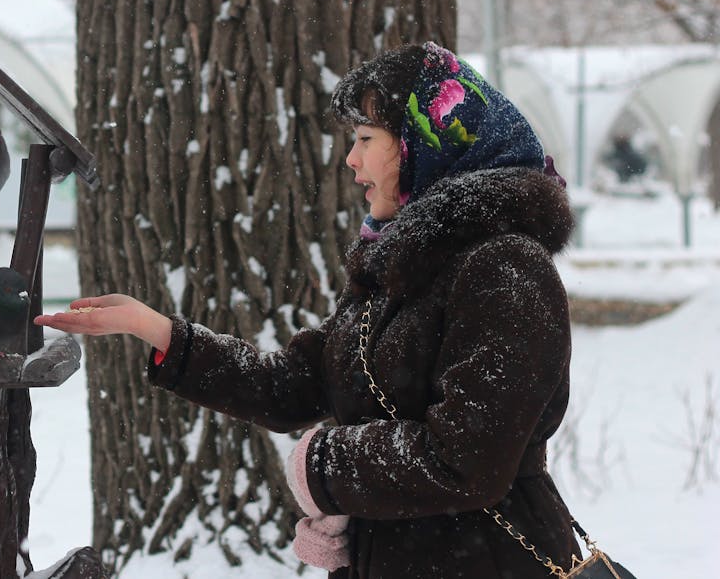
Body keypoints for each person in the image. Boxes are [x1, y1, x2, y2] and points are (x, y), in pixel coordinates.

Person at [35, 42, 579, 579]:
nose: (351, 159)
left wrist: (321, 466)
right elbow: (297, 384)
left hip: (490, 561)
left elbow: (467, 460)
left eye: (367, 138)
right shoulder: (401, 269)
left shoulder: (505, 268)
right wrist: (151, 327)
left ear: (425, 144)